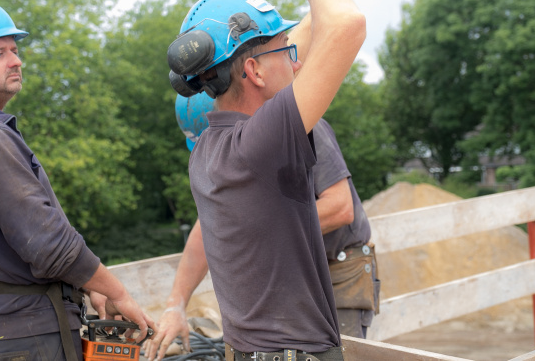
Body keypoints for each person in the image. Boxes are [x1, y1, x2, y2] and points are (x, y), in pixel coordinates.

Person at [163, 0, 366, 361]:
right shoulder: (259, 144)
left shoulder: (210, 150)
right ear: (253, 72)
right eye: (286, 54)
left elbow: (290, 45)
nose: (296, 64)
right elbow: (348, 28)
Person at [0, 0, 155, 360]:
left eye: (14, 50)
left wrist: (89, 287)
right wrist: (117, 292)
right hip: (34, 332)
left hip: (23, 328)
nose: (16, 60)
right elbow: (46, 243)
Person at [144, 90, 380, 360]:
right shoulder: (231, 152)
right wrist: (177, 305)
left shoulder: (302, 126)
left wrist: (258, 226)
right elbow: (210, 227)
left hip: (338, 270)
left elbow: (340, 207)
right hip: (293, 276)